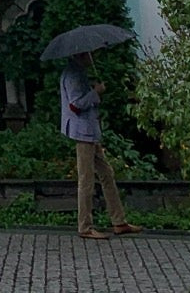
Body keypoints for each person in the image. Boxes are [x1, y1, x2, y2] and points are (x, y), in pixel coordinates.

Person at [60, 51, 142, 239]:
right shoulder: (72, 74)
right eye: (89, 54)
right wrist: (95, 92)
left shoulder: (79, 72)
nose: (93, 57)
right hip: (82, 133)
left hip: (90, 131)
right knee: (86, 180)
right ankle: (85, 226)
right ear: (80, 55)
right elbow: (75, 104)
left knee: (107, 174)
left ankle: (119, 221)